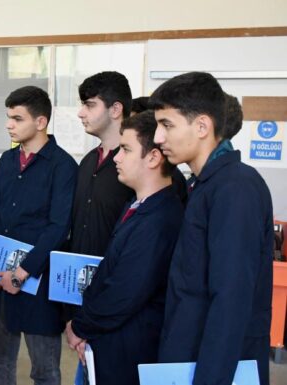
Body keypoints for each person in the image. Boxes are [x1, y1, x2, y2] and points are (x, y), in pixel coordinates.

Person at [152, 72, 273, 385]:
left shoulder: (235, 188)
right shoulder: (204, 185)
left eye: (167, 125)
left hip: (210, 368)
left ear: (202, 126)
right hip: (185, 356)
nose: (157, 137)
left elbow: (230, 301)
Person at [64, 111, 183, 385]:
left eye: (126, 150)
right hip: (106, 342)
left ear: (153, 157)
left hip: (128, 353)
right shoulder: (136, 205)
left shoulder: (161, 220)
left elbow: (124, 292)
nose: (116, 158)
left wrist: (80, 326)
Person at [0, 86, 77, 385]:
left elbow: (58, 227)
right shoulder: (6, 161)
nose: (9, 124)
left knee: (44, 371)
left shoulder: (63, 166)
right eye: (9, 117)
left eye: (17, 118)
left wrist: (21, 272)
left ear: (41, 121)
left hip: (36, 286)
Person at [71, 71, 135, 258]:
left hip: (115, 276)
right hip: (76, 273)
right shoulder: (88, 161)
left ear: (115, 109)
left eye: (90, 105)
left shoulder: (136, 164)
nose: (80, 113)